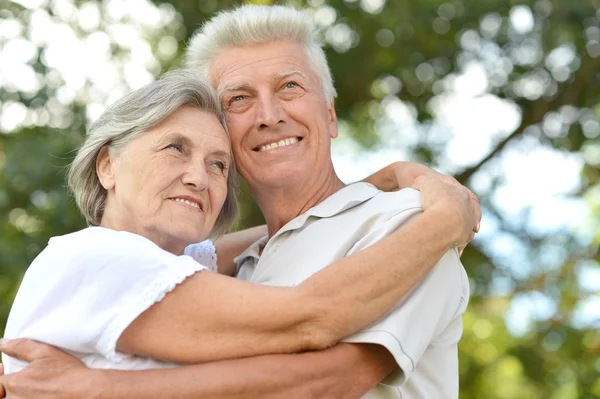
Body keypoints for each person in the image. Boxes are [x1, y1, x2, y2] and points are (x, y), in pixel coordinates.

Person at [0, 5, 480, 399]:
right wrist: (450, 217)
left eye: (216, 163)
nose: (269, 116)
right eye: (239, 99)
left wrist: (388, 181)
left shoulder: (395, 227)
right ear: (107, 166)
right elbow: (313, 339)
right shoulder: (100, 259)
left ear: (330, 115)